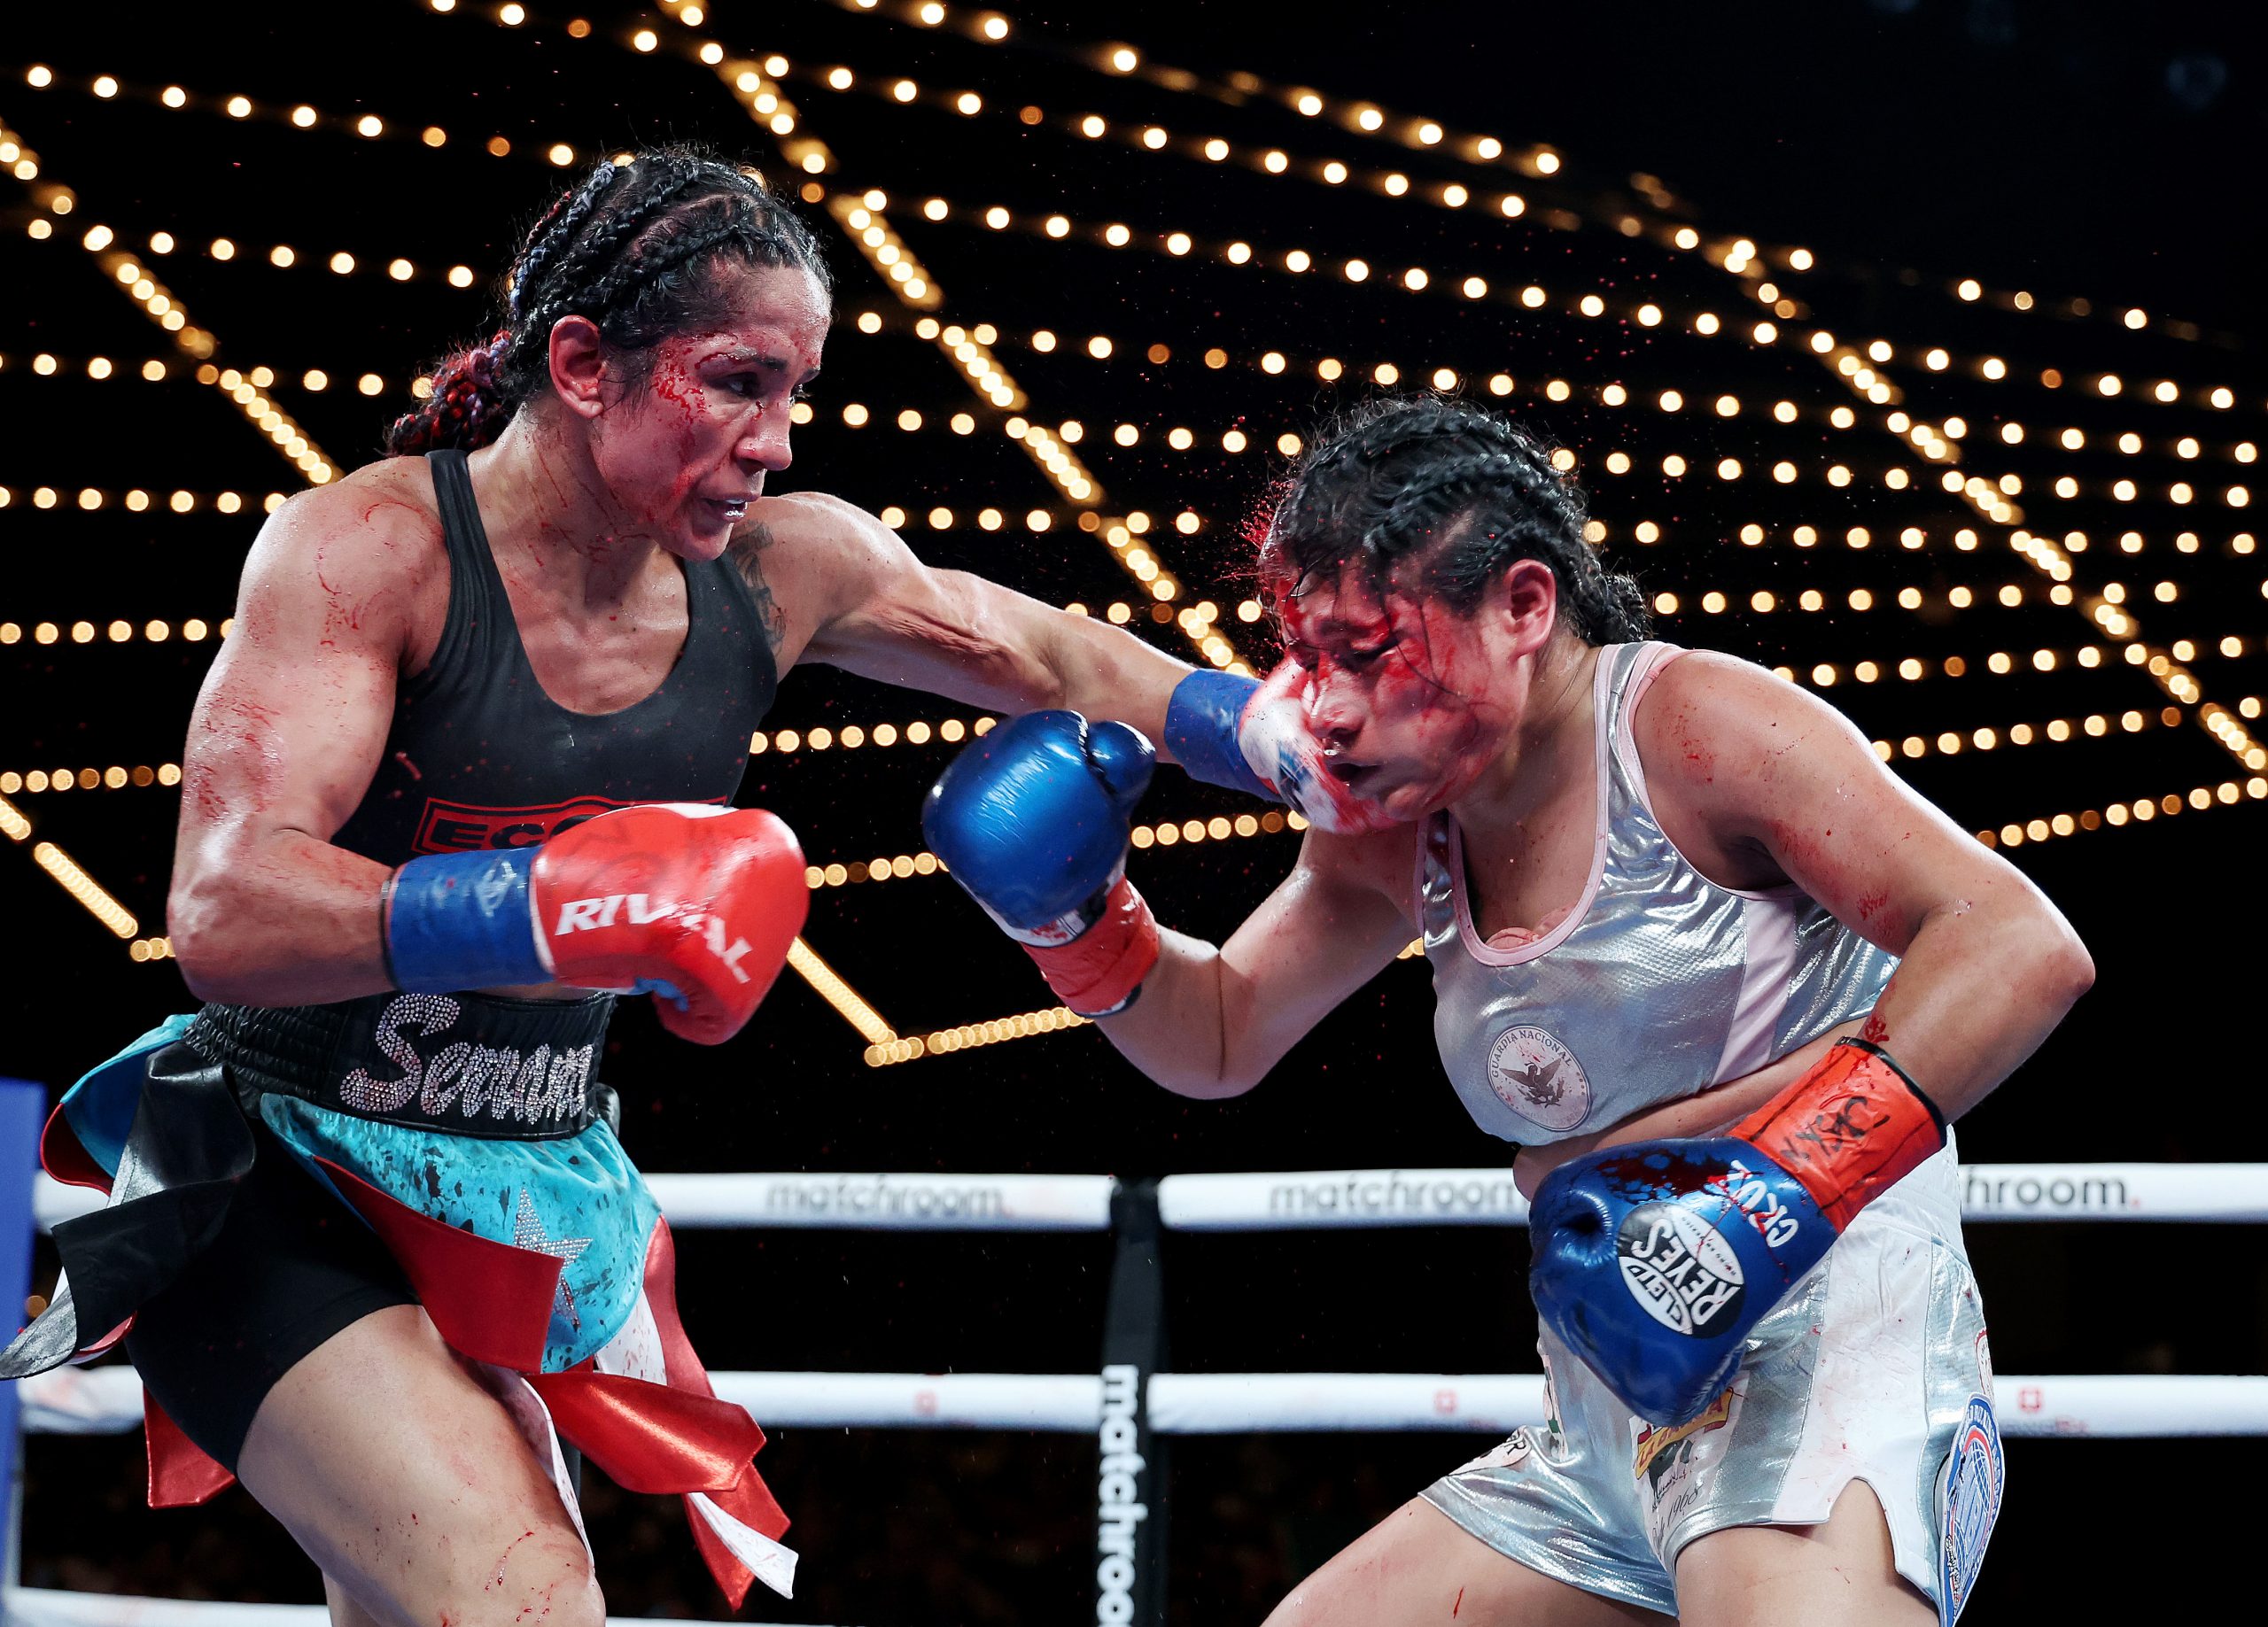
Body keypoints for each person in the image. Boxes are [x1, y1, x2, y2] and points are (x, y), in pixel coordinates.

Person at [0, 146, 1322, 1627]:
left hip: (513, 1199)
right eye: (739, 382)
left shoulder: (779, 571)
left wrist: (1281, 740)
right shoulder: (371, 549)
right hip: (267, 1173)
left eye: (796, 390)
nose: (777, 439)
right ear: (582, 365)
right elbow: (222, 909)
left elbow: (1050, 652)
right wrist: (539, 903)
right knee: (523, 1598)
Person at [924, 395, 2094, 1624]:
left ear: (1524, 606)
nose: (1327, 708)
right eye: (1311, 658)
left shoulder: (1693, 729)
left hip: (1824, 1340)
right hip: (1610, 1407)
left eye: (1371, 651)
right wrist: (1075, 923)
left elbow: (2014, 941)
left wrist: (1768, 1196)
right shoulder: (1401, 823)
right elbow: (1217, 1032)